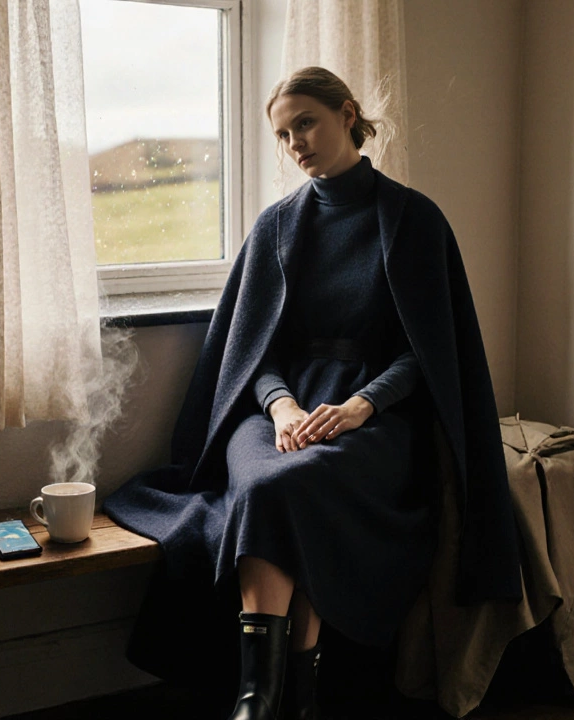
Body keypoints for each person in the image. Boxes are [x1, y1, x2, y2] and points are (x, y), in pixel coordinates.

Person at [103, 66, 521, 720]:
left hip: (377, 416)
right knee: (270, 483)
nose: (295, 142)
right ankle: (263, 698)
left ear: (348, 115)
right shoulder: (276, 226)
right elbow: (256, 352)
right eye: (282, 133)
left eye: (306, 123)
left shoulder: (413, 220)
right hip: (276, 410)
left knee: (303, 488)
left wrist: (361, 406)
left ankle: (285, 695)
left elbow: (429, 353)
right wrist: (283, 407)